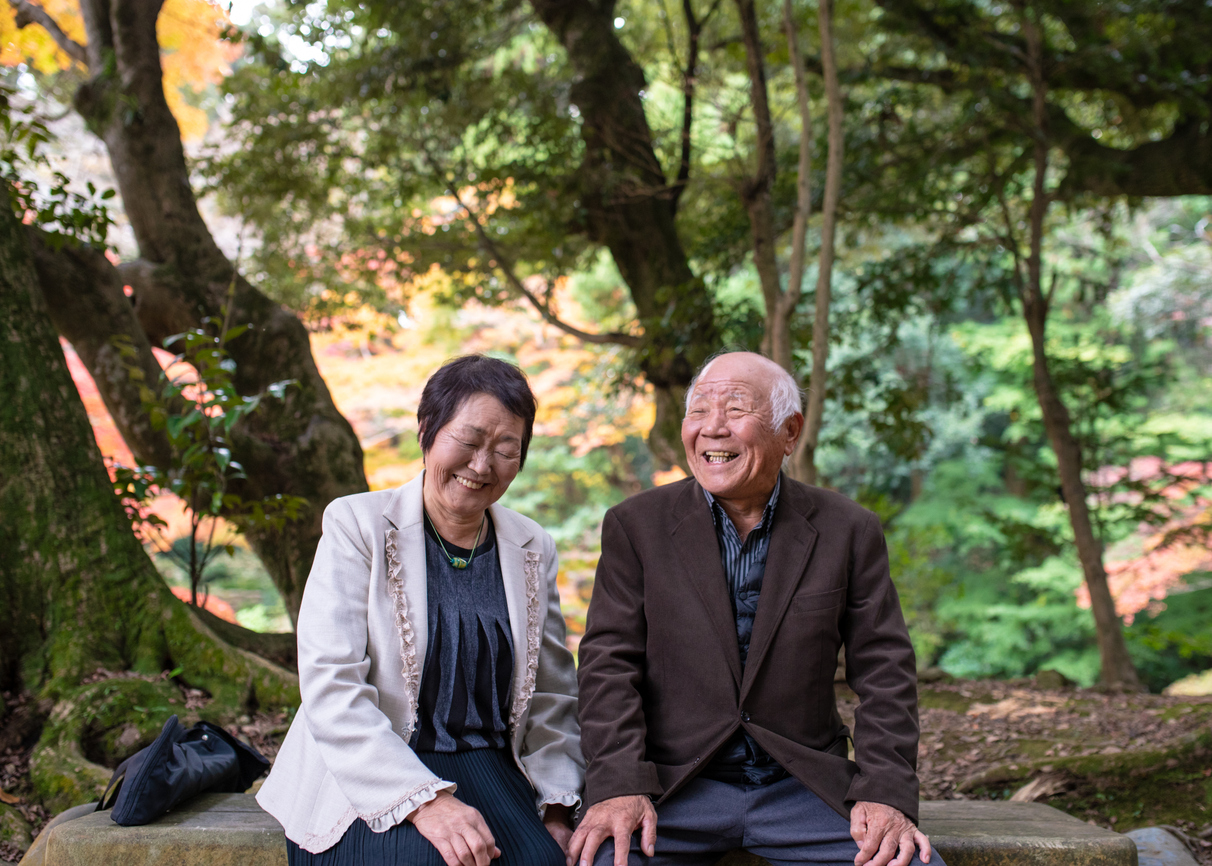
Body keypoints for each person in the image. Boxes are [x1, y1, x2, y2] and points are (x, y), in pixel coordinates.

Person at [570, 351, 937, 866]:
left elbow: (885, 670)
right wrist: (618, 783)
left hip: (804, 786)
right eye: (698, 411)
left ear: (790, 433)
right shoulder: (636, 526)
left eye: (736, 410)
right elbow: (609, 665)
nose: (712, 429)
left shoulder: (847, 530)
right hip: (676, 787)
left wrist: (885, 790)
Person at [258, 355, 583, 866]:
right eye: (469, 440)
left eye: (505, 450)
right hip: (367, 769)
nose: (482, 465)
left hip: (492, 766)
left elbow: (552, 694)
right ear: (426, 430)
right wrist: (425, 801)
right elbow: (331, 683)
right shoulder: (356, 524)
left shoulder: (531, 545)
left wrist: (559, 805)